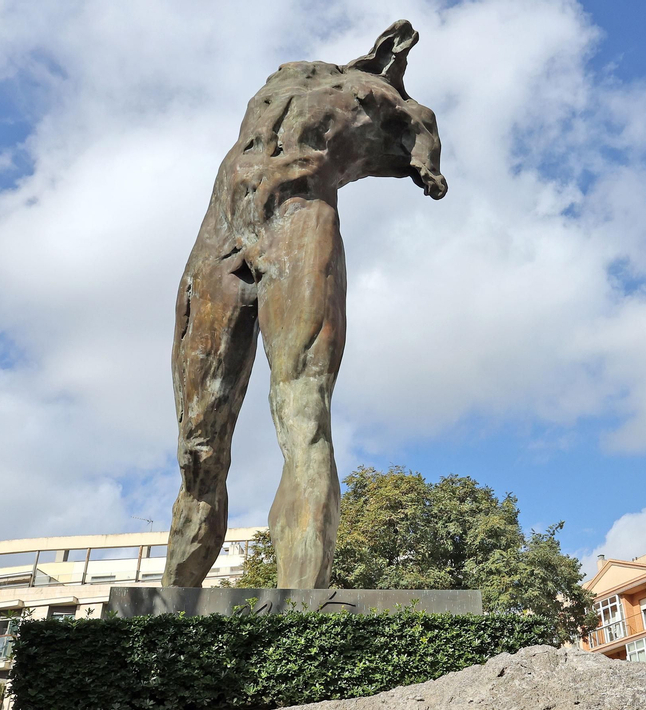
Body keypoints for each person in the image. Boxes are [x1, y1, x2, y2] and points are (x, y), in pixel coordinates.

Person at [162, 21, 446, 589]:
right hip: (219, 234)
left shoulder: (401, 110)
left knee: (303, 411)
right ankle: (169, 605)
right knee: (198, 445)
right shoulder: (289, 76)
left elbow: (425, 158)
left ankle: (301, 606)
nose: (396, 50)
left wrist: (426, 163)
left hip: (301, 220)